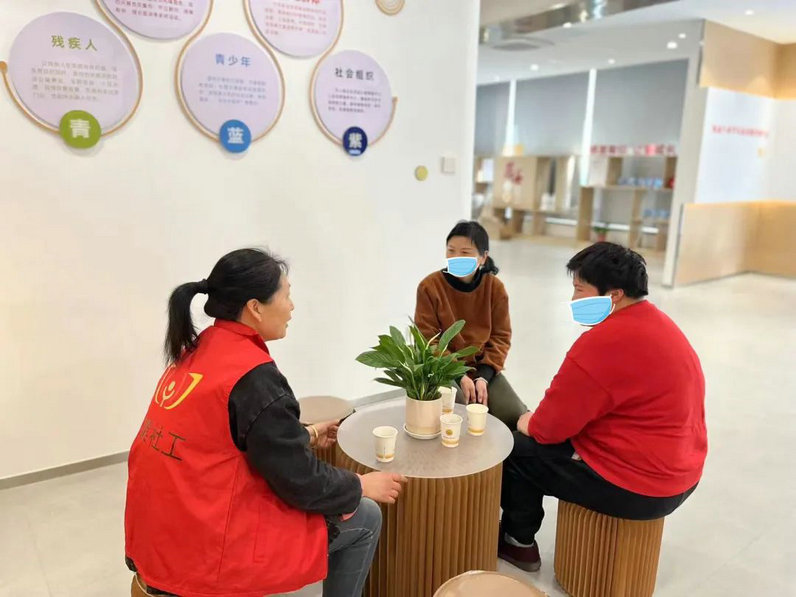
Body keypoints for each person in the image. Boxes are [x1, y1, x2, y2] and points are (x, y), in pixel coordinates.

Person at [124, 248, 405, 597]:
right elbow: (301, 482)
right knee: (365, 516)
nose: (292, 306)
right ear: (255, 307)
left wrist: (305, 434)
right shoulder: (253, 376)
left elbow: (225, 439)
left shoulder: (197, 349)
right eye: (286, 295)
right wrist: (360, 485)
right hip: (200, 550)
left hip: (158, 535)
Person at [499, 242, 707, 572]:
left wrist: (526, 421)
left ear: (614, 295)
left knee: (518, 451)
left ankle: (517, 543)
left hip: (641, 485)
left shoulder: (602, 343)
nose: (573, 300)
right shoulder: (661, 325)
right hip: (685, 472)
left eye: (580, 290)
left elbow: (548, 429)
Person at [414, 221, 527, 430]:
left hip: (481, 367)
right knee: (456, 412)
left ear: (483, 257)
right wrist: (459, 375)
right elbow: (428, 340)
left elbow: (501, 338)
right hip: (443, 367)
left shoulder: (495, 288)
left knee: (513, 415)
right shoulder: (429, 287)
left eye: (465, 252)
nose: (456, 257)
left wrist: (483, 377)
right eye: (451, 251)